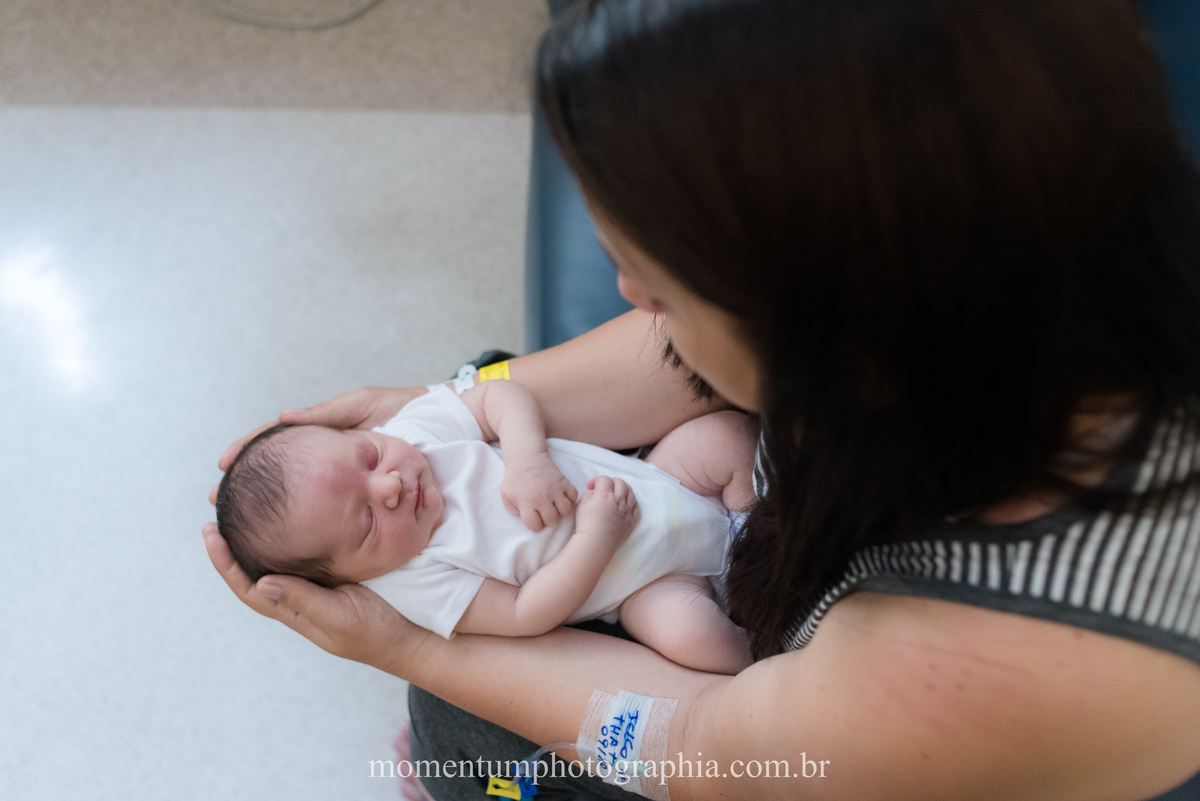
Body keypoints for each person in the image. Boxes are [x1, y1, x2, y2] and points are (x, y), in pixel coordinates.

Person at [204, 0, 1200, 798]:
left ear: (830, 320)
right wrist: (443, 402)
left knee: (458, 725)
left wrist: (408, 643)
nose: (634, 303)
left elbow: (708, 753)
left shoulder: (1000, 660)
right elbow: (654, 363)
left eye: (660, 285)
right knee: (496, 369)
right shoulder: (1020, 270)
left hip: (808, 743)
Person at [214, 379, 755, 674]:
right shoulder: (414, 583)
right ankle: (769, 643)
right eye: (368, 520)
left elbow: (502, 395)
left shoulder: (417, 430)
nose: (390, 486)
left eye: (369, 455)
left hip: (662, 475)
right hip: (645, 584)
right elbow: (526, 613)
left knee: (725, 435)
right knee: (695, 642)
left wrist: (525, 460)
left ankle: (764, 516)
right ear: (354, 578)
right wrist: (596, 539)